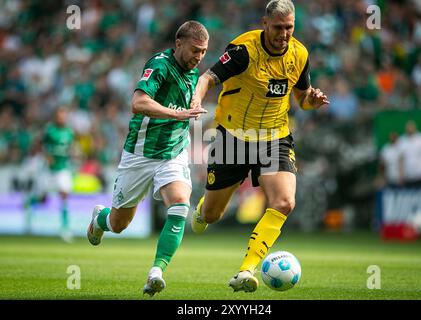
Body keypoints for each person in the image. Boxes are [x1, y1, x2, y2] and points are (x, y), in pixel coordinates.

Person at [190, 0, 329, 292]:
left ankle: (246, 269)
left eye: (289, 27)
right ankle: (203, 210)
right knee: (213, 215)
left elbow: (302, 99)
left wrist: (311, 102)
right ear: (264, 23)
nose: (284, 34)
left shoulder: (300, 54)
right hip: (233, 137)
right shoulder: (243, 51)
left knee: (284, 202)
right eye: (278, 27)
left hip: (274, 137)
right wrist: (196, 100)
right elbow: (207, 78)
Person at [86, 21, 209, 297]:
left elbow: (196, 92)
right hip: (140, 154)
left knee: (179, 205)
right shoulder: (159, 65)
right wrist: (176, 114)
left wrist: (194, 105)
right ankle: (100, 219)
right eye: (195, 50)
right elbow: (138, 103)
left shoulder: (193, 73)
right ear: (178, 44)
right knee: (119, 224)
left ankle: (156, 271)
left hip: (174, 153)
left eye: (203, 52)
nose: (199, 57)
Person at [29, 107, 75, 242]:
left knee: (64, 195)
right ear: (56, 117)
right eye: (59, 115)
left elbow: (69, 148)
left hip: (62, 169)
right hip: (48, 170)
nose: (62, 118)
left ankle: (65, 228)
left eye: (64, 115)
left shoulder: (69, 132)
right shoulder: (49, 130)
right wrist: (46, 155)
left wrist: (73, 156)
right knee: (43, 199)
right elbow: (38, 144)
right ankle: (29, 204)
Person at [398, 121, 421, 188]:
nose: (409, 129)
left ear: (415, 128)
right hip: (408, 177)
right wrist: (401, 174)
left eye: (411, 127)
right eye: (408, 128)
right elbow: (400, 159)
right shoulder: (402, 141)